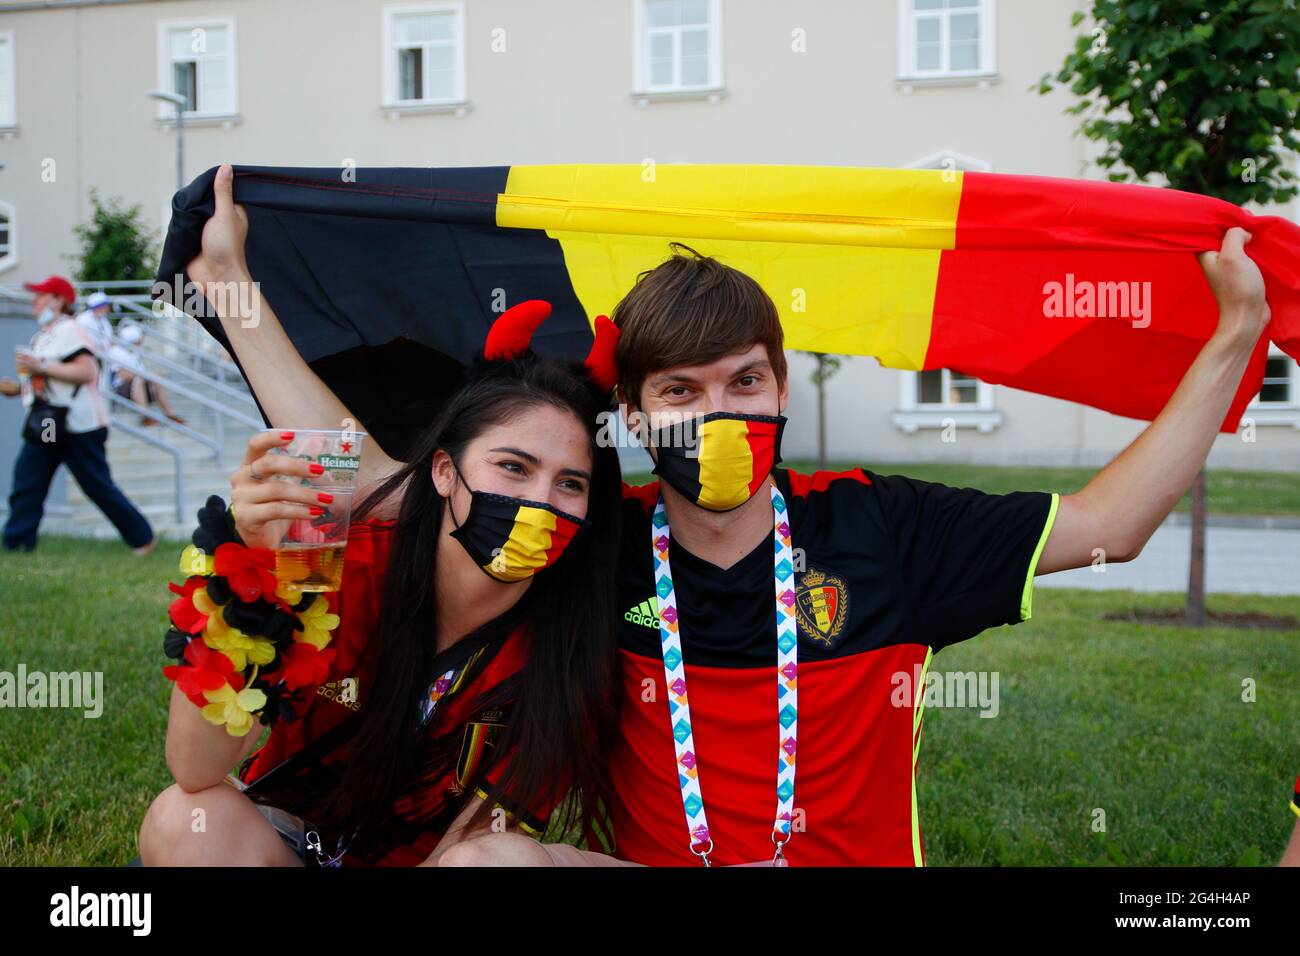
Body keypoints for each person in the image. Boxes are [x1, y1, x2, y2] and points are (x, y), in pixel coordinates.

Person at [173, 165, 1271, 866]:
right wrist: (234, 287)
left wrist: (1226, 345)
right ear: (637, 415)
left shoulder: (880, 526)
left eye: (743, 382)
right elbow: (367, 469)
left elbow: (1106, 523)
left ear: (782, 390)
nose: (719, 412)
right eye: (681, 392)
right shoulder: (590, 541)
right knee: (484, 864)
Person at [137, 289, 626, 864]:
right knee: (183, 820)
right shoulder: (331, 557)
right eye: (513, 467)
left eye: (569, 483)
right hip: (282, 839)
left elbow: (472, 846)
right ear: (444, 471)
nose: (539, 501)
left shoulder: (572, 646)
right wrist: (250, 573)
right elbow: (195, 768)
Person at [0, 275, 155, 554]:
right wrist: (16, 388)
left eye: (41, 296)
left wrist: (40, 366)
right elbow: (45, 378)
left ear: (59, 301)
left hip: (79, 424)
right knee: (29, 478)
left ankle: (143, 538)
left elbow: (86, 371)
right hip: (48, 420)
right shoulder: (44, 335)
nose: (35, 302)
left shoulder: (71, 330)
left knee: (96, 485)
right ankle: (17, 544)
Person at [107, 322, 186, 427]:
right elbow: (123, 376)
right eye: (138, 341)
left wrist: (152, 376)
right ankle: (145, 416)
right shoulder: (117, 352)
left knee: (157, 377)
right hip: (121, 389)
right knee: (139, 379)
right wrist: (147, 376)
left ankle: (170, 414)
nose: (140, 343)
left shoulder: (134, 352)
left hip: (136, 387)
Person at [74, 290, 114, 356]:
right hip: (90, 354)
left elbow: (109, 336)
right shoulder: (83, 319)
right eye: (105, 306)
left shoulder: (102, 318)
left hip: (103, 352)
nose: (107, 308)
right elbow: (87, 342)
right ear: (99, 307)